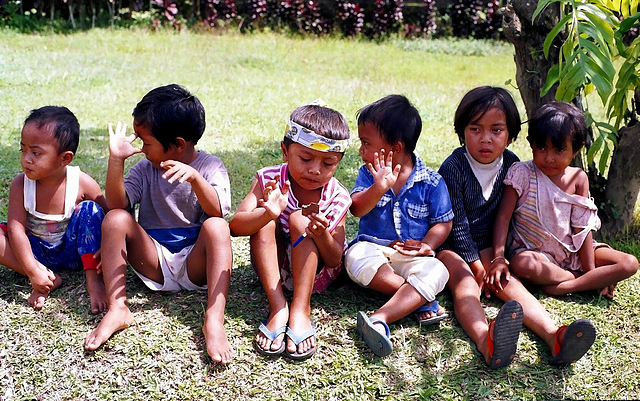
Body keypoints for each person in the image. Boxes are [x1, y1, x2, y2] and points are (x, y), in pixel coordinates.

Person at [438, 87, 597, 368]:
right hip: (451, 246)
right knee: (465, 287)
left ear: (510, 135)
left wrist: (497, 260)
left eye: (496, 130)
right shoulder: (454, 168)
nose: (485, 138)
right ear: (461, 131)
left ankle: (554, 336)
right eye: (475, 129)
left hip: (490, 247)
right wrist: (476, 266)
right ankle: (485, 339)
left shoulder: (512, 165)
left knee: (509, 284)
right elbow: (456, 223)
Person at [83, 84, 234, 365]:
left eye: (146, 142)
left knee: (217, 227)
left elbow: (218, 212)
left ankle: (214, 318)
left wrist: (195, 179)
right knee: (116, 219)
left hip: (195, 263)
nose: (141, 149)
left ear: (177, 144)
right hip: (154, 260)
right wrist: (116, 160)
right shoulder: (144, 169)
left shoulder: (211, 167)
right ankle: (119, 309)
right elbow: (118, 205)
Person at [230, 102, 351, 360]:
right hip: (272, 269)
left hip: (313, 275)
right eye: (305, 158)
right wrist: (268, 213)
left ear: (338, 163)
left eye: (328, 163)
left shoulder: (338, 197)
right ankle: (278, 307)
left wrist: (321, 235)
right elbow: (236, 226)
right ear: (285, 151)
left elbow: (334, 259)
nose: (315, 169)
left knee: (299, 220)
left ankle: (300, 308)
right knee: (264, 220)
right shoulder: (268, 180)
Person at [493, 101, 638, 301]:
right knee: (522, 264)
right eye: (542, 147)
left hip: (574, 252)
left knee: (629, 263)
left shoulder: (578, 178)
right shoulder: (521, 173)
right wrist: (499, 257)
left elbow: (583, 227)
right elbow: (503, 217)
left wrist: (590, 269)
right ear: (531, 143)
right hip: (536, 254)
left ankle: (564, 286)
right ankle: (580, 281)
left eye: (559, 150)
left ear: (576, 149)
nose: (549, 158)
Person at [345, 94, 452, 357]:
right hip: (372, 249)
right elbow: (357, 207)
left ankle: (380, 318)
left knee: (439, 269)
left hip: (409, 256)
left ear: (394, 148)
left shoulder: (431, 182)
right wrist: (379, 186)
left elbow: (443, 223)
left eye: (366, 143)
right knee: (353, 257)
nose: (361, 150)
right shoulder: (366, 174)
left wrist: (427, 245)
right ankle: (418, 299)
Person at [0, 106, 108, 313]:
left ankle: (93, 282)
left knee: (90, 209)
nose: (27, 159)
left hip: (74, 252)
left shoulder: (82, 183)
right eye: (23, 149)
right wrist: (32, 270)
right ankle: (45, 277)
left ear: (65, 158)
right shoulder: (21, 184)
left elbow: (108, 216)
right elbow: (16, 229)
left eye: (36, 152)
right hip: (35, 253)